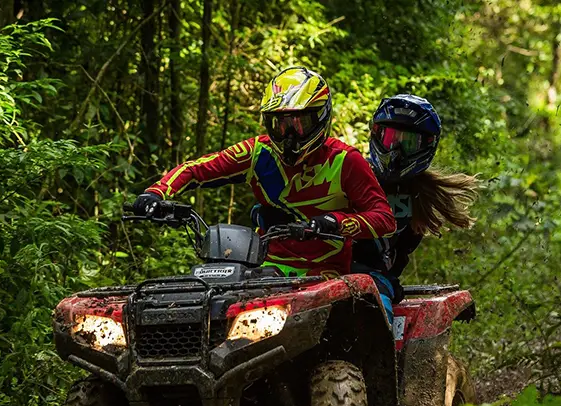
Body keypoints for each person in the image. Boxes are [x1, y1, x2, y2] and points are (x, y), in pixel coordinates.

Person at [131, 66, 395, 278]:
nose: (289, 135)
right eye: (279, 124)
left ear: (321, 118)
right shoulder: (257, 152)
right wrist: (155, 193)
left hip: (325, 274)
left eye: (299, 124)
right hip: (264, 268)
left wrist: (336, 222)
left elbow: (384, 218)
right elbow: (195, 169)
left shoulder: (345, 160)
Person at [351, 94, 478, 323]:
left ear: (426, 146)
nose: (396, 151)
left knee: (376, 321)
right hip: (328, 271)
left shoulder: (420, 195)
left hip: (373, 284)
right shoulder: (351, 174)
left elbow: (401, 252)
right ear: (376, 134)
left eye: (408, 143)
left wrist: (387, 277)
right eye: (390, 139)